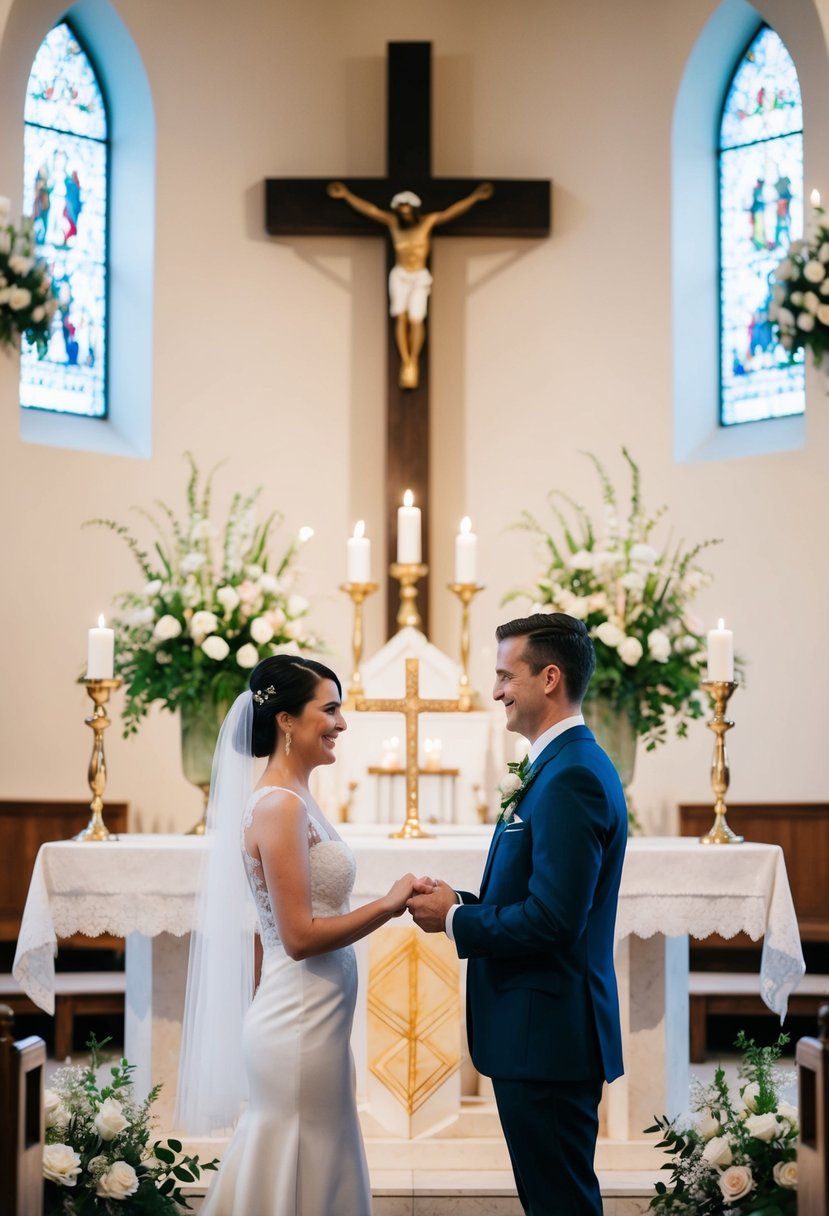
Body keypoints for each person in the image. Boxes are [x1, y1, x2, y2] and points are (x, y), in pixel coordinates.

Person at [176, 654, 428, 1215]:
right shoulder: (279, 807)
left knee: (317, 1157)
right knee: (295, 1158)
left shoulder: (298, 798)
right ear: (287, 720)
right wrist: (387, 905)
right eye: (330, 709)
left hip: (313, 1020)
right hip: (297, 1023)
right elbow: (298, 936)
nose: (341, 723)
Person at [407, 613, 628, 1216]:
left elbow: (555, 921)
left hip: (548, 1034)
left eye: (507, 675)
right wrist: (462, 903)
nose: (498, 690)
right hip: (542, 1032)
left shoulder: (572, 776)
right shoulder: (556, 766)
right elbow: (539, 899)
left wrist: (457, 923)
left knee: (561, 1203)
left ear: (549, 677)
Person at [327, 179, 493, 388]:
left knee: (416, 318)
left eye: (408, 211)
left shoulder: (427, 223)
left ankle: (413, 359)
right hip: (400, 275)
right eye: (401, 212)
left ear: (414, 210)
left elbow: (451, 213)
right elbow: (371, 211)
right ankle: (406, 361)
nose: (404, 215)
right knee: (400, 316)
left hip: (419, 275)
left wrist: (475, 198)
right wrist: (347, 195)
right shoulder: (393, 224)